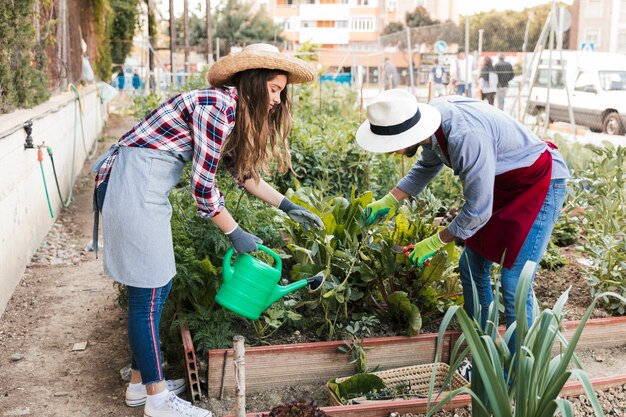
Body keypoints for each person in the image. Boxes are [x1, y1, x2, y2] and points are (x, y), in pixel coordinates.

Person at [91, 44, 322, 417]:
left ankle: (140, 383)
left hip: (143, 184)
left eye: (282, 92)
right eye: (275, 89)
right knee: (148, 292)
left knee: (157, 285)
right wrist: (235, 233)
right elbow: (203, 188)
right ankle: (157, 398)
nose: (278, 101)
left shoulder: (229, 109)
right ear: (255, 81)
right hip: (133, 184)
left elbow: (243, 174)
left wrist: (288, 205)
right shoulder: (219, 109)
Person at [357, 89, 569, 350]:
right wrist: (390, 199)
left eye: (392, 147)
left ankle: (517, 376)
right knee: (471, 267)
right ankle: (483, 355)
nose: (391, 154)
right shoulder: (431, 123)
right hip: (501, 186)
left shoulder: (464, 135)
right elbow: (427, 166)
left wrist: (435, 242)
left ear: (408, 133)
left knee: (515, 283)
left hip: (539, 184)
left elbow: (478, 211)